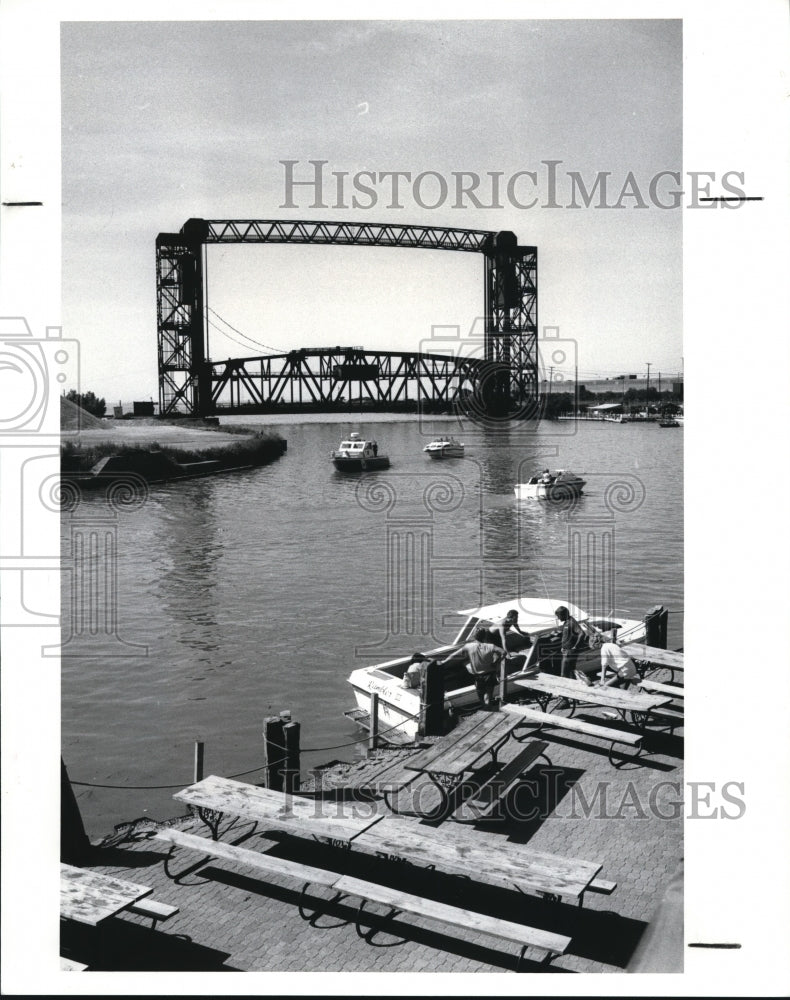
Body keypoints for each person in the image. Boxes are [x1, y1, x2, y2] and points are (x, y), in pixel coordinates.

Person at [435, 628, 506, 708]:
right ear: (485, 637)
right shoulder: (491, 646)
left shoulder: (469, 646)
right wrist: (496, 662)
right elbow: (503, 652)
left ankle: (485, 706)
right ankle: (488, 706)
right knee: (489, 694)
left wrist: (444, 662)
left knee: (480, 694)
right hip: (490, 674)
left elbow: (454, 655)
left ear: (474, 637)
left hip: (479, 676)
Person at [554, 605, 587, 708]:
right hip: (567, 651)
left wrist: (575, 647)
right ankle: (576, 696)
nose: (558, 618)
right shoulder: (567, 622)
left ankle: (564, 700)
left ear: (563, 614)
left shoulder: (571, 622)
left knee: (564, 675)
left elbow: (582, 634)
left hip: (569, 653)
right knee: (572, 673)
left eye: (558, 616)